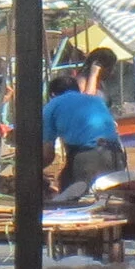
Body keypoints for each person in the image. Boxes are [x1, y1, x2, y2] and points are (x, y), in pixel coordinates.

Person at [42, 69, 126, 204]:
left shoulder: (52, 106)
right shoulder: (95, 100)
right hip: (116, 154)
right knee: (111, 202)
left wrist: (32, 170)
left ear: (52, 94)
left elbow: (48, 153)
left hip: (88, 156)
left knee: (80, 202)